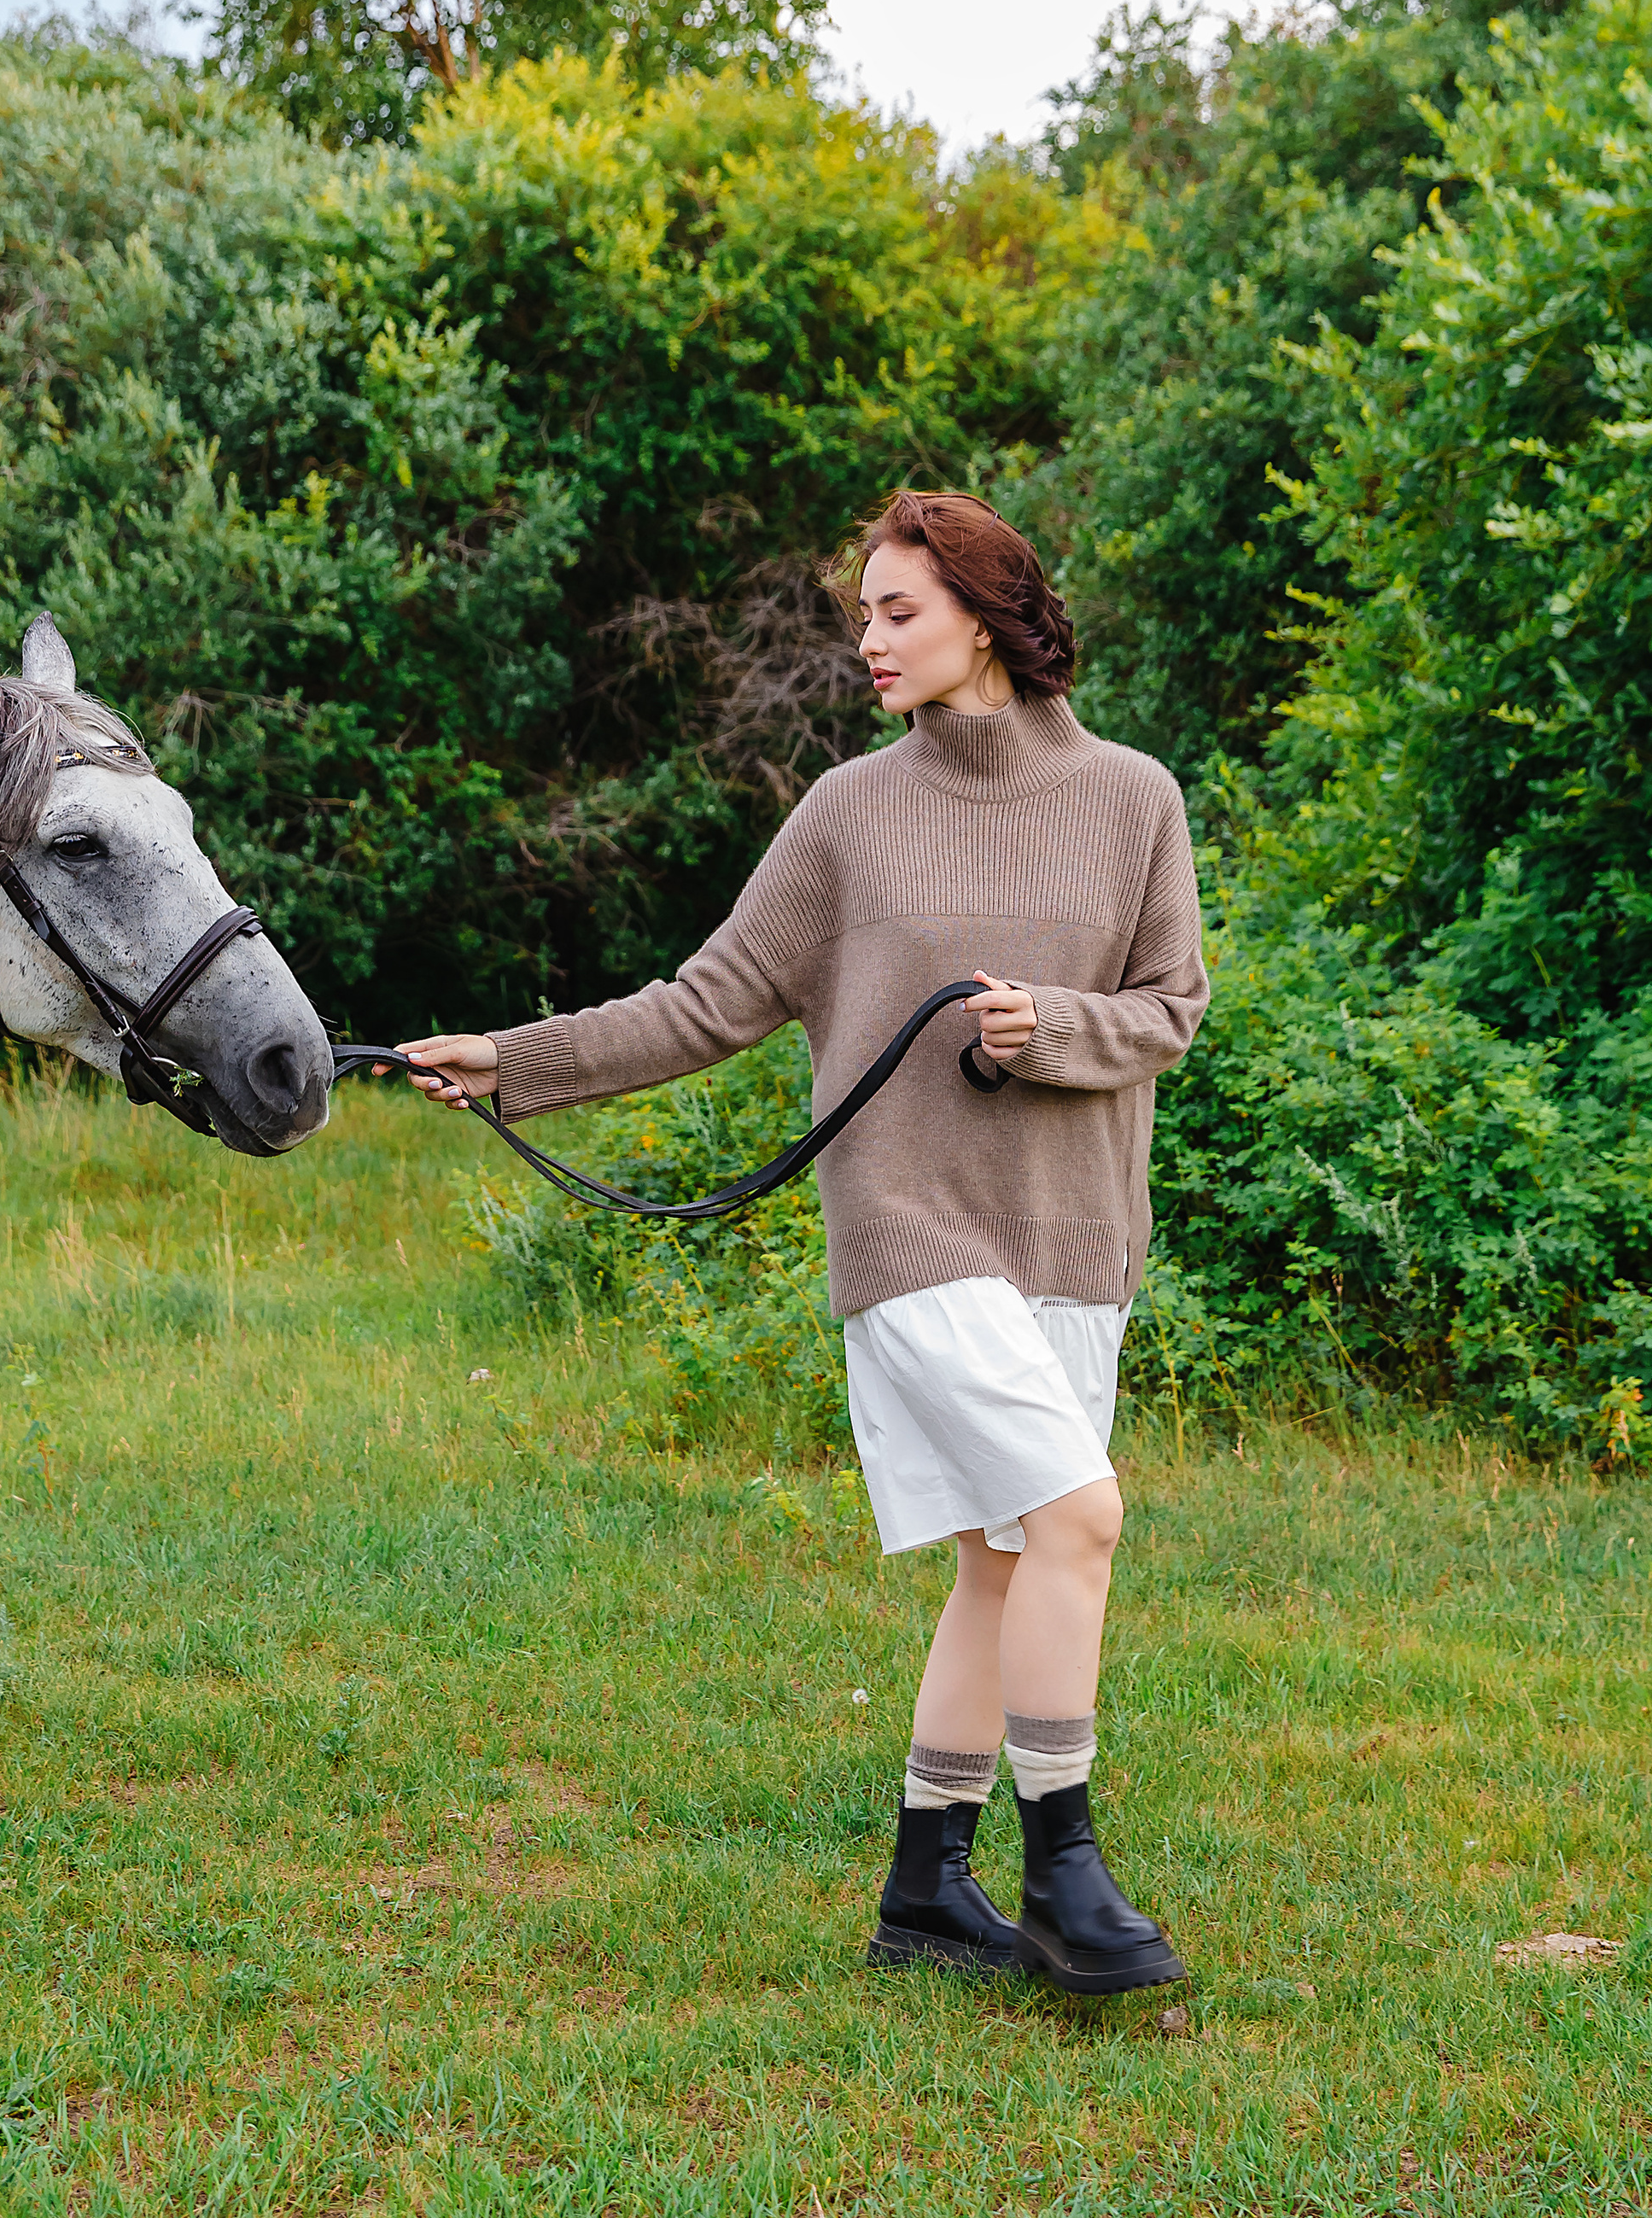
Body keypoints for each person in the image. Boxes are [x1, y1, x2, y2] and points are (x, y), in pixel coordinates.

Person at [394, 491, 1206, 1996]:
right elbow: (704, 1003)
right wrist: (514, 1059)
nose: (869, 642)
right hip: (908, 1229)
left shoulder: (1132, 798)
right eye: (863, 616)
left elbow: (1170, 1008)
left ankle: (924, 1890)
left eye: (899, 612)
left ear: (986, 618)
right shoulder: (847, 812)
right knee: (1079, 1519)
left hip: (1074, 1236)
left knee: (1004, 1559)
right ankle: (1068, 1877)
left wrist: (1049, 1026)